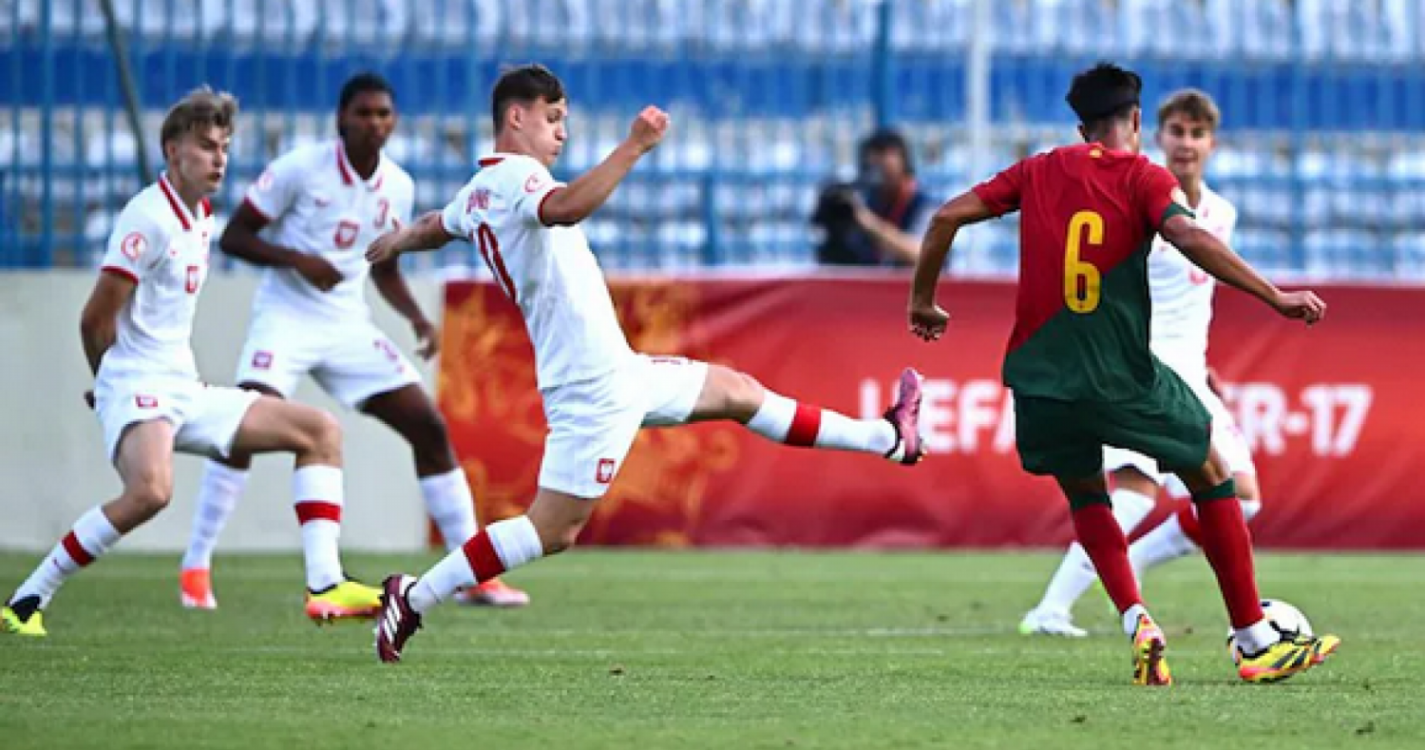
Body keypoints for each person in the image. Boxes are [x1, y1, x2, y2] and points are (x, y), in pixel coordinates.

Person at [361, 64, 927, 663]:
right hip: (592, 388)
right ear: (515, 117)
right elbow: (567, 207)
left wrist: (398, 240)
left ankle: (888, 436)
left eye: (566, 122)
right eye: (553, 119)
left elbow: (435, 226)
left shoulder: (477, 191)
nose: (562, 133)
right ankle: (415, 596)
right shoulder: (519, 179)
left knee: (738, 392)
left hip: (618, 373)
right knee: (552, 531)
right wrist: (633, 146)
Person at [908, 63, 1339, 685]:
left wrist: (923, 300)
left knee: (1090, 496)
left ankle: (1135, 615)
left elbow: (946, 216)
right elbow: (1190, 238)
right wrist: (1275, 296)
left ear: (1081, 126)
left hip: (1038, 380)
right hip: (1121, 377)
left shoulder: (1037, 169)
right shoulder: (1143, 176)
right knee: (1215, 475)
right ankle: (1252, 639)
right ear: (1138, 120)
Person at [2, 88, 367, 636]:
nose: (219, 158)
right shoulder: (146, 217)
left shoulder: (201, 215)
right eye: (205, 146)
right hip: (137, 384)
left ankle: (325, 584)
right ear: (172, 151)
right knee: (151, 492)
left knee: (320, 431)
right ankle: (26, 601)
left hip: (183, 387)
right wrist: (108, 386)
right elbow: (94, 319)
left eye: (223, 147)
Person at [175, 72, 528, 615]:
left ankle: (474, 575)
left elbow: (381, 266)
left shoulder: (399, 185)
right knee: (242, 427)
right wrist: (299, 260)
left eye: (383, 114)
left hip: (347, 325)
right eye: (363, 113)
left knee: (428, 427)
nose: (374, 123)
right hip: (286, 318)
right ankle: (196, 566)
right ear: (342, 118)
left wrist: (415, 319)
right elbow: (235, 236)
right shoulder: (300, 168)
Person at [1020, 89, 1263, 638]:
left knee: (1242, 495)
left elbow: (1199, 296)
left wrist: (1204, 368)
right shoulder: (1138, 197)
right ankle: (1052, 609)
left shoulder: (1222, 213)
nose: (1186, 144)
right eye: (1176, 132)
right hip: (1140, 369)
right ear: (1157, 136)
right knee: (1133, 490)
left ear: (1212, 144)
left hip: (1188, 372)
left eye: (1196, 134)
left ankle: (1117, 576)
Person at [812, 129, 934, 266]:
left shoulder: (925, 206)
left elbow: (925, 255)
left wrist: (869, 223)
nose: (879, 173)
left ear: (904, 163)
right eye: (873, 167)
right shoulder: (872, 202)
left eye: (886, 165)